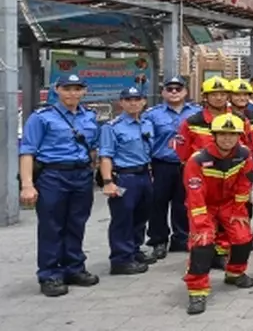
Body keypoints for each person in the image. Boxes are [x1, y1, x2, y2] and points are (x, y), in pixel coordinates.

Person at [18, 74, 101, 297]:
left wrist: (94, 173)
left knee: (76, 223)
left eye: (77, 89)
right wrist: (27, 185)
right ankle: (50, 274)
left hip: (81, 175)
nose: (72, 93)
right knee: (51, 226)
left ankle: (74, 268)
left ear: (84, 91)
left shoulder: (90, 116)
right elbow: (27, 151)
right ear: (57, 89)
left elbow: (92, 148)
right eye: (67, 88)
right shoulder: (42, 117)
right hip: (52, 176)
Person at [182, 113, 253, 315]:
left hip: (229, 205)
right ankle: (197, 290)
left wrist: (239, 210)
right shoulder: (198, 160)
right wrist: (201, 221)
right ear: (213, 135)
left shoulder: (244, 154)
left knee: (243, 237)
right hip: (202, 206)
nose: (227, 139)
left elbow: (244, 183)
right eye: (222, 134)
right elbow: (194, 193)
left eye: (232, 135)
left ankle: (234, 273)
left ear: (239, 136)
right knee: (203, 243)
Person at [142, 75, 201, 259]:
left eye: (178, 88)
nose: (174, 92)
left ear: (185, 91)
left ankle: (181, 238)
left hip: (187, 164)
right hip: (162, 164)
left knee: (182, 203)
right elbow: (145, 140)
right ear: (163, 92)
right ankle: (158, 240)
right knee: (157, 203)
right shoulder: (152, 114)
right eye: (170, 89)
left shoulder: (196, 112)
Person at [98, 86, 155, 275]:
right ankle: (121, 259)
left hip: (144, 175)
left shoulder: (147, 123)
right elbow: (105, 155)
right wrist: (108, 182)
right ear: (121, 103)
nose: (133, 103)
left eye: (137, 99)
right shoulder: (112, 127)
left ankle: (134, 249)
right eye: (128, 100)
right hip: (124, 177)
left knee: (141, 216)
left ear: (144, 101)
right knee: (122, 219)